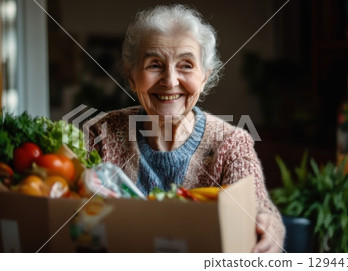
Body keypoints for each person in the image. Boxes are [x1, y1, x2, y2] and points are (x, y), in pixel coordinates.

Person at [86, 4, 285, 253]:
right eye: (154, 64)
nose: (170, 81)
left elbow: (258, 206)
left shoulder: (232, 143)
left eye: (186, 65)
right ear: (131, 76)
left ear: (205, 76)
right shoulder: (100, 135)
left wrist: (268, 225)